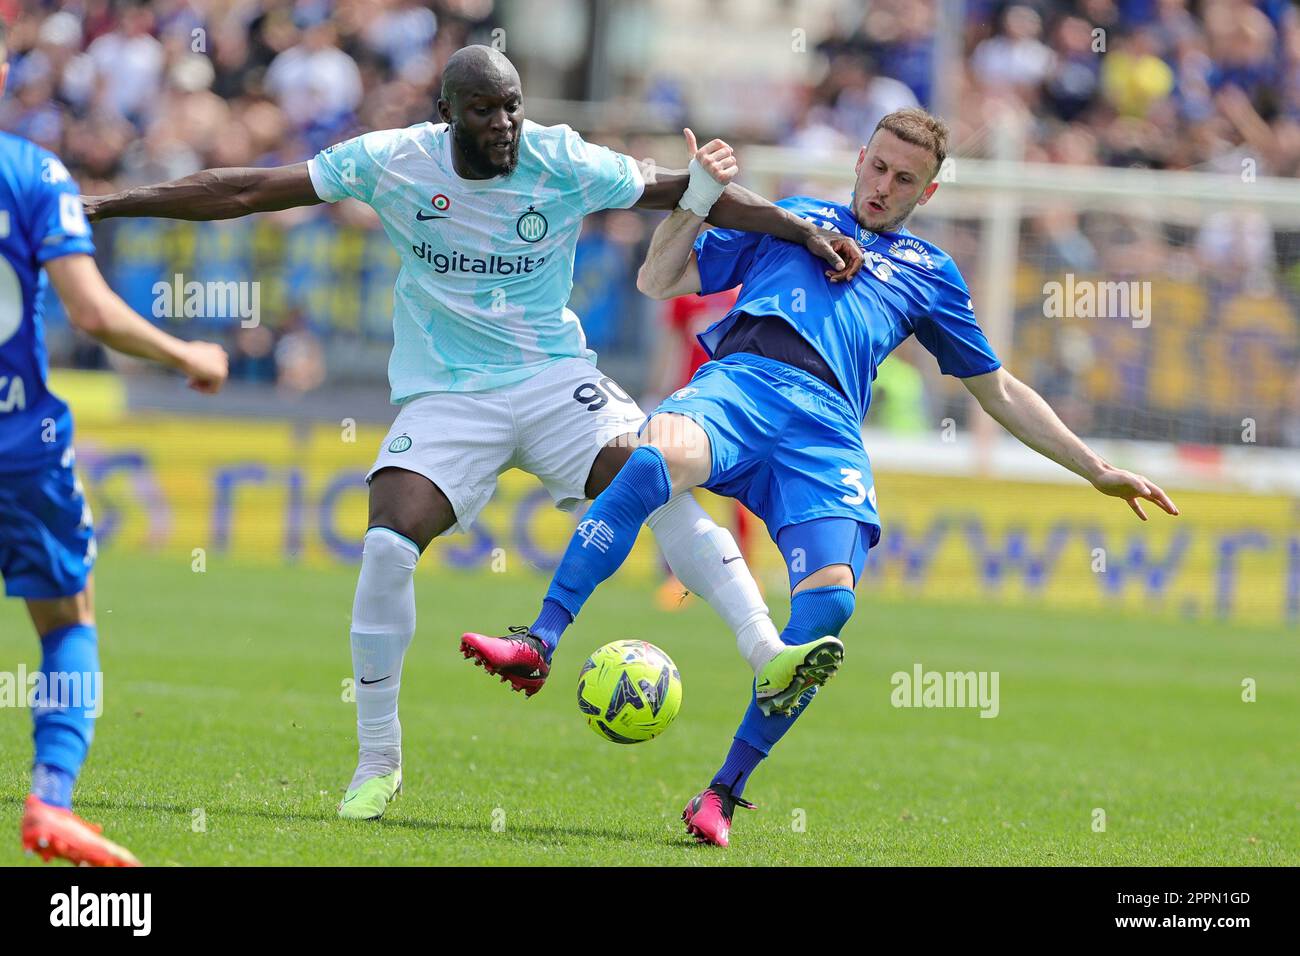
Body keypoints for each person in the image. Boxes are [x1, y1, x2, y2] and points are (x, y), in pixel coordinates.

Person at [83, 45, 864, 822]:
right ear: (445, 115)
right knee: (389, 543)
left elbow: (689, 193)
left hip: (556, 378)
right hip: (448, 395)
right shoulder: (391, 161)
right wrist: (106, 206)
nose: (504, 125)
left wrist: (803, 232)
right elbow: (249, 188)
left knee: (653, 474)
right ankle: (377, 763)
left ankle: (767, 654)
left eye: (513, 107)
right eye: (485, 110)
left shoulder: (560, 157)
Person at [468, 107, 1180, 847]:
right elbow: (657, 278)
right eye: (877, 166)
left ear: (926, 194)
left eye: (904, 178)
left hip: (826, 433)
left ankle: (722, 793)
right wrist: (698, 197)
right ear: (860, 159)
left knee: (829, 612)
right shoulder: (792, 218)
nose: (883, 185)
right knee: (653, 460)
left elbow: (996, 388)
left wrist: (1095, 468)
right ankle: (540, 641)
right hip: (744, 383)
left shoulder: (931, 273)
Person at [0, 22, 229, 867]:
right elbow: (92, 313)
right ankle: (51, 800)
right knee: (67, 617)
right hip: (18, 437)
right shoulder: (31, 173)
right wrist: (188, 354)